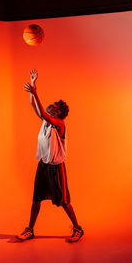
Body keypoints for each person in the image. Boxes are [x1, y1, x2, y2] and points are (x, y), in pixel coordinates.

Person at [16, 69, 84, 243]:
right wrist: (33, 85)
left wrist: (35, 93)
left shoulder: (59, 124)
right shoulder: (46, 122)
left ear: (58, 112)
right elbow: (36, 107)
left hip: (56, 167)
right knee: (36, 198)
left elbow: (43, 113)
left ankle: (78, 228)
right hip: (43, 165)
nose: (51, 104)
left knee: (64, 200)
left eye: (55, 105)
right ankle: (30, 230)